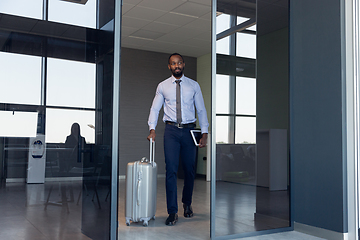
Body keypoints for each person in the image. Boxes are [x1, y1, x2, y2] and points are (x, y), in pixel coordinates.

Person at [147, 53, 209, 226]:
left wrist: (204, 133)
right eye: (173, 63)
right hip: (171, 131)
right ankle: (172, 212)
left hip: (190, 131)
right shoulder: (163, 86)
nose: (177, 66)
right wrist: (152, 129)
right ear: (169, 66)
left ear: (183, 64)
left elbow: (201, 110)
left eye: (179, 63)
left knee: (190, 170)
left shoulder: (193, 85)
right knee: (171, 171)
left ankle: (187, 203)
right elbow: (155, 108)